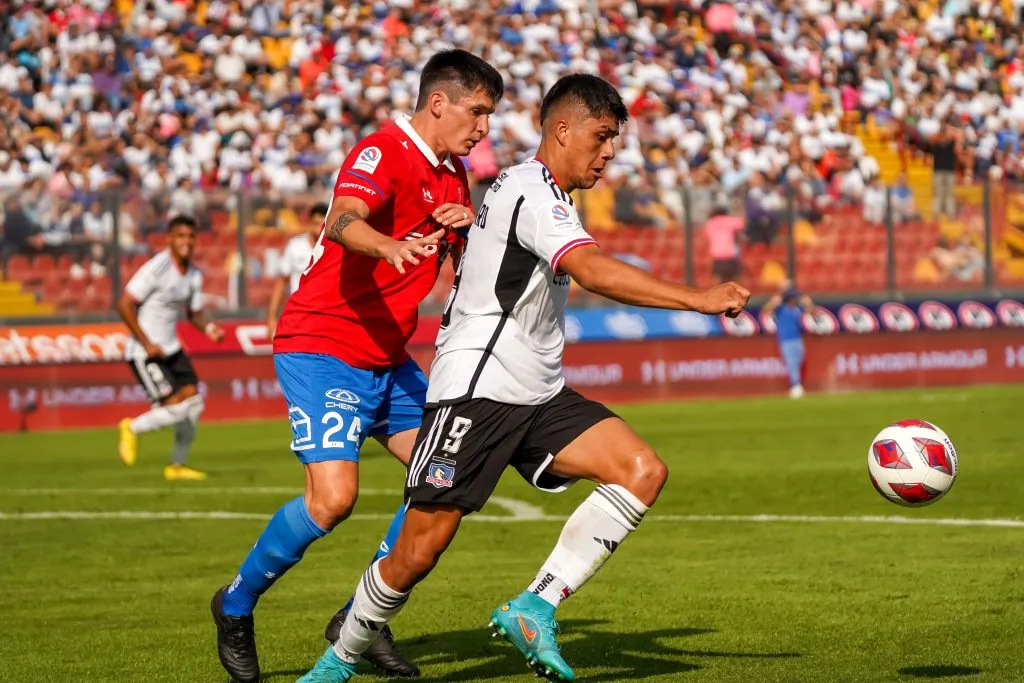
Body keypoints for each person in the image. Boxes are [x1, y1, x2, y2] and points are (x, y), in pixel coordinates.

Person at [297, 73, 750, 683]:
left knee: (641, 470)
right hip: (476, 392)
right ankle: (339, 659)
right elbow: (589, 271)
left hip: (538, 391)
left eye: (614, 138)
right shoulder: (530, 191)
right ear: (562, 131)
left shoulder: (537, 194)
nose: (610, 151)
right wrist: (695, 299)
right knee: (418, 551)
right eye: (602, 136)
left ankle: (535, 605)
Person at [210, 49, 503, 683]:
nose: (483, 128)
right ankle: (234, 605)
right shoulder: (382, 151)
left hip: (386, 358)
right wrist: (389, 244)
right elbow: (343, 221)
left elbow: (449, 269)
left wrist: (467, 229)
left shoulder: (454, 179)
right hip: (323, 345)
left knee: (447, 478)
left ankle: (359, 618)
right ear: (438, 102)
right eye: (477, 111)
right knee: (334, 500)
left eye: (490, 116)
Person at [115, 214, 225, 480]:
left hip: (172, 348)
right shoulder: (157, 268)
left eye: (191, 236)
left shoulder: (195, 274)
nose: (187, 241)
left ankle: (176, 466)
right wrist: (146, 342)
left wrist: (210, 329)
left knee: (194, 404)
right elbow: (125, 304)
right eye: (181, 236)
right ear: (169, 240)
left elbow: (194, 313)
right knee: (176, 407)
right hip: (145, 352)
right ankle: (132, 427)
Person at [266, 202, 327, 339]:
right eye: (316, 223)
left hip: (323, 313)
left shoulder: (331, 249)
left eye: (322, 224)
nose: (319, 228)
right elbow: (282, 281)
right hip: (298, 312)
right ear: (310, 223)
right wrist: (271, 317)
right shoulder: (295, 246)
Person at [762, 280, 813, 399]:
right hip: (786, 340)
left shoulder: (796, 309)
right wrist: (776, 300)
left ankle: (797, 384)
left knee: (798, 361)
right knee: (792, 363)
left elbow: (810, 310)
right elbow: (766, 309)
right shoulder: (780, 309)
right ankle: (795, 385)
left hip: (797, 339)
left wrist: (808, 303)